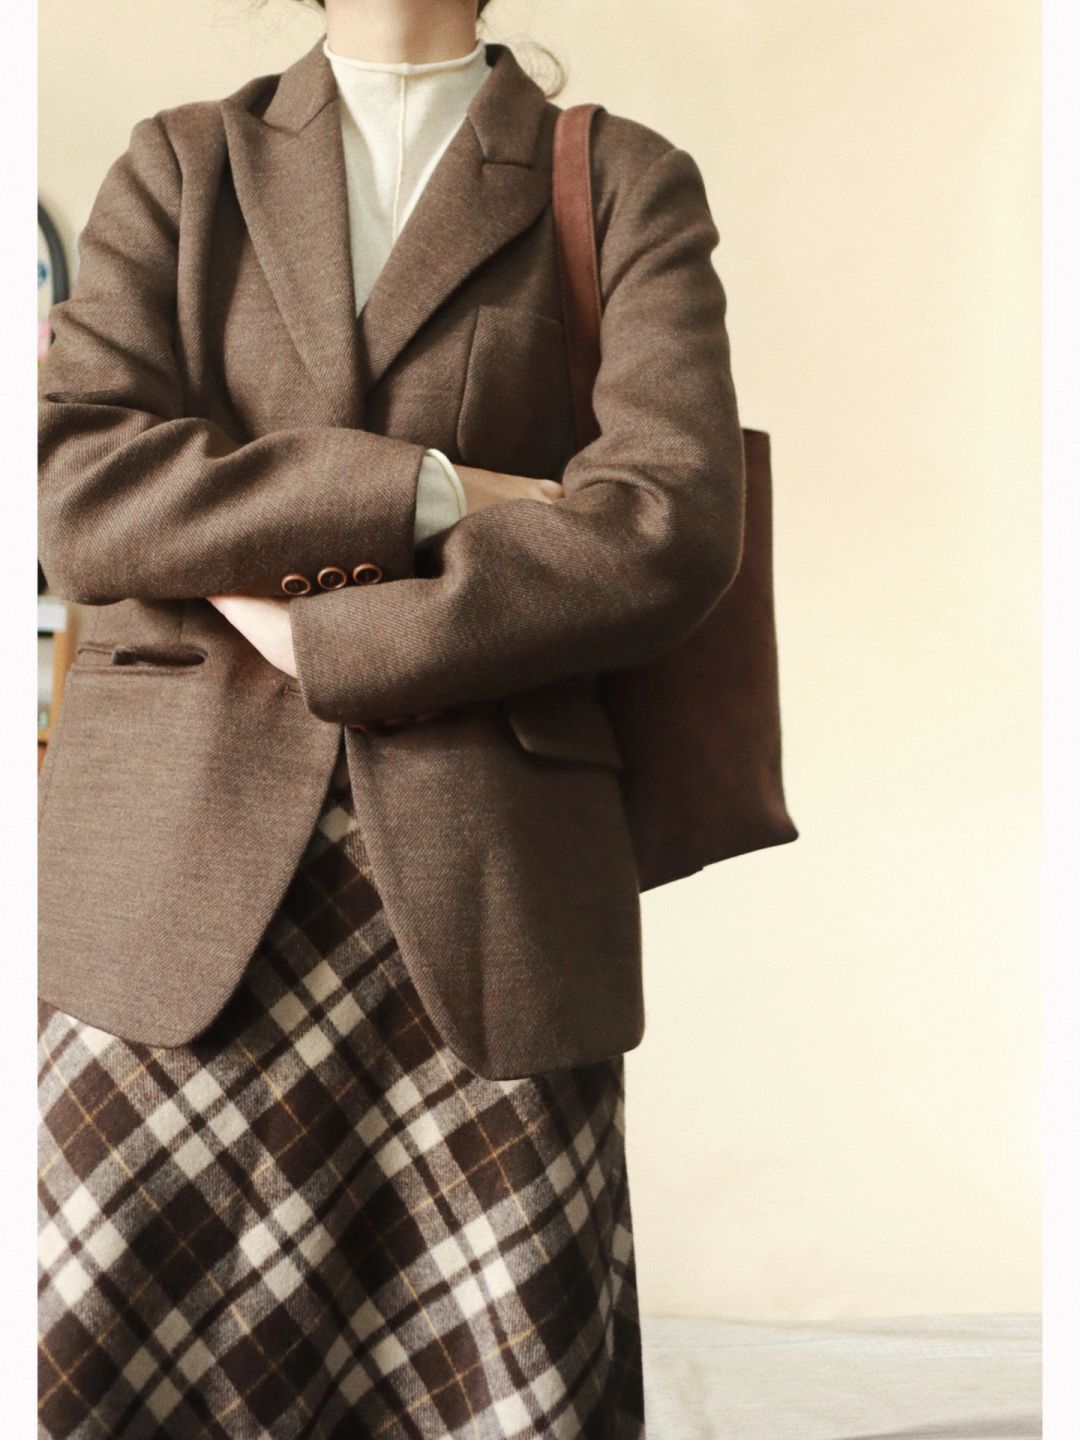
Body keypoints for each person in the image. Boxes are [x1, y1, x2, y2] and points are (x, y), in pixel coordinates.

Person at [37, 0, 746, 1434]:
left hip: (491, 881)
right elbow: (80, 487)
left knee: (483, 1378)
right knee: (109, 1362)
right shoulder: (182, 163)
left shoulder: (619, 178)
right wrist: (435, 488)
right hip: (167, 873)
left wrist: (326, 635)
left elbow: (668, 524)